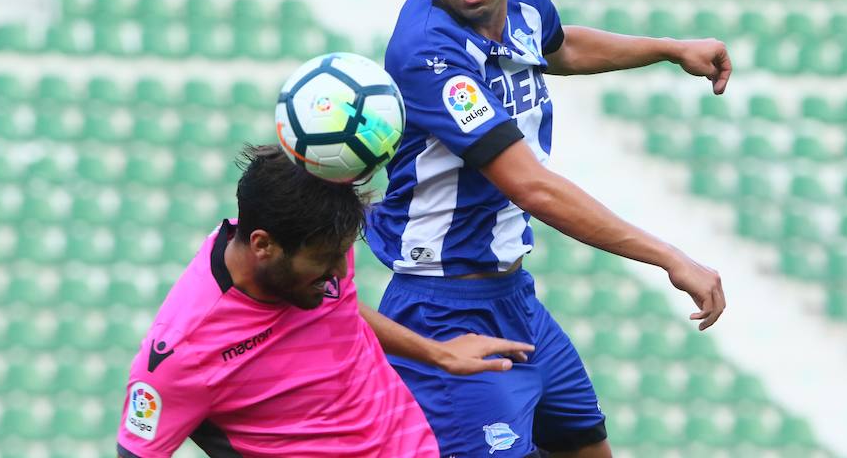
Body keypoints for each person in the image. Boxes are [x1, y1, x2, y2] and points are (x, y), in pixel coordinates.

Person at [366, 0, 730, 458]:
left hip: (516, 299)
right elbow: (531, 187)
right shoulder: (427, 53)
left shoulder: (522, 0)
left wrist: (668, 49)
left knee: (588, 448)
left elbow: (559, 48)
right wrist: (669, 257)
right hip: (442, 310)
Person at [116, 144, 534, 458]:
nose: (339, 273)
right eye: (325, 262)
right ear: (264, 246)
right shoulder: (181, 353)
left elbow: (343, 309)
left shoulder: (318, 245)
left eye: (343, 254)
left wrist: (437, 353)